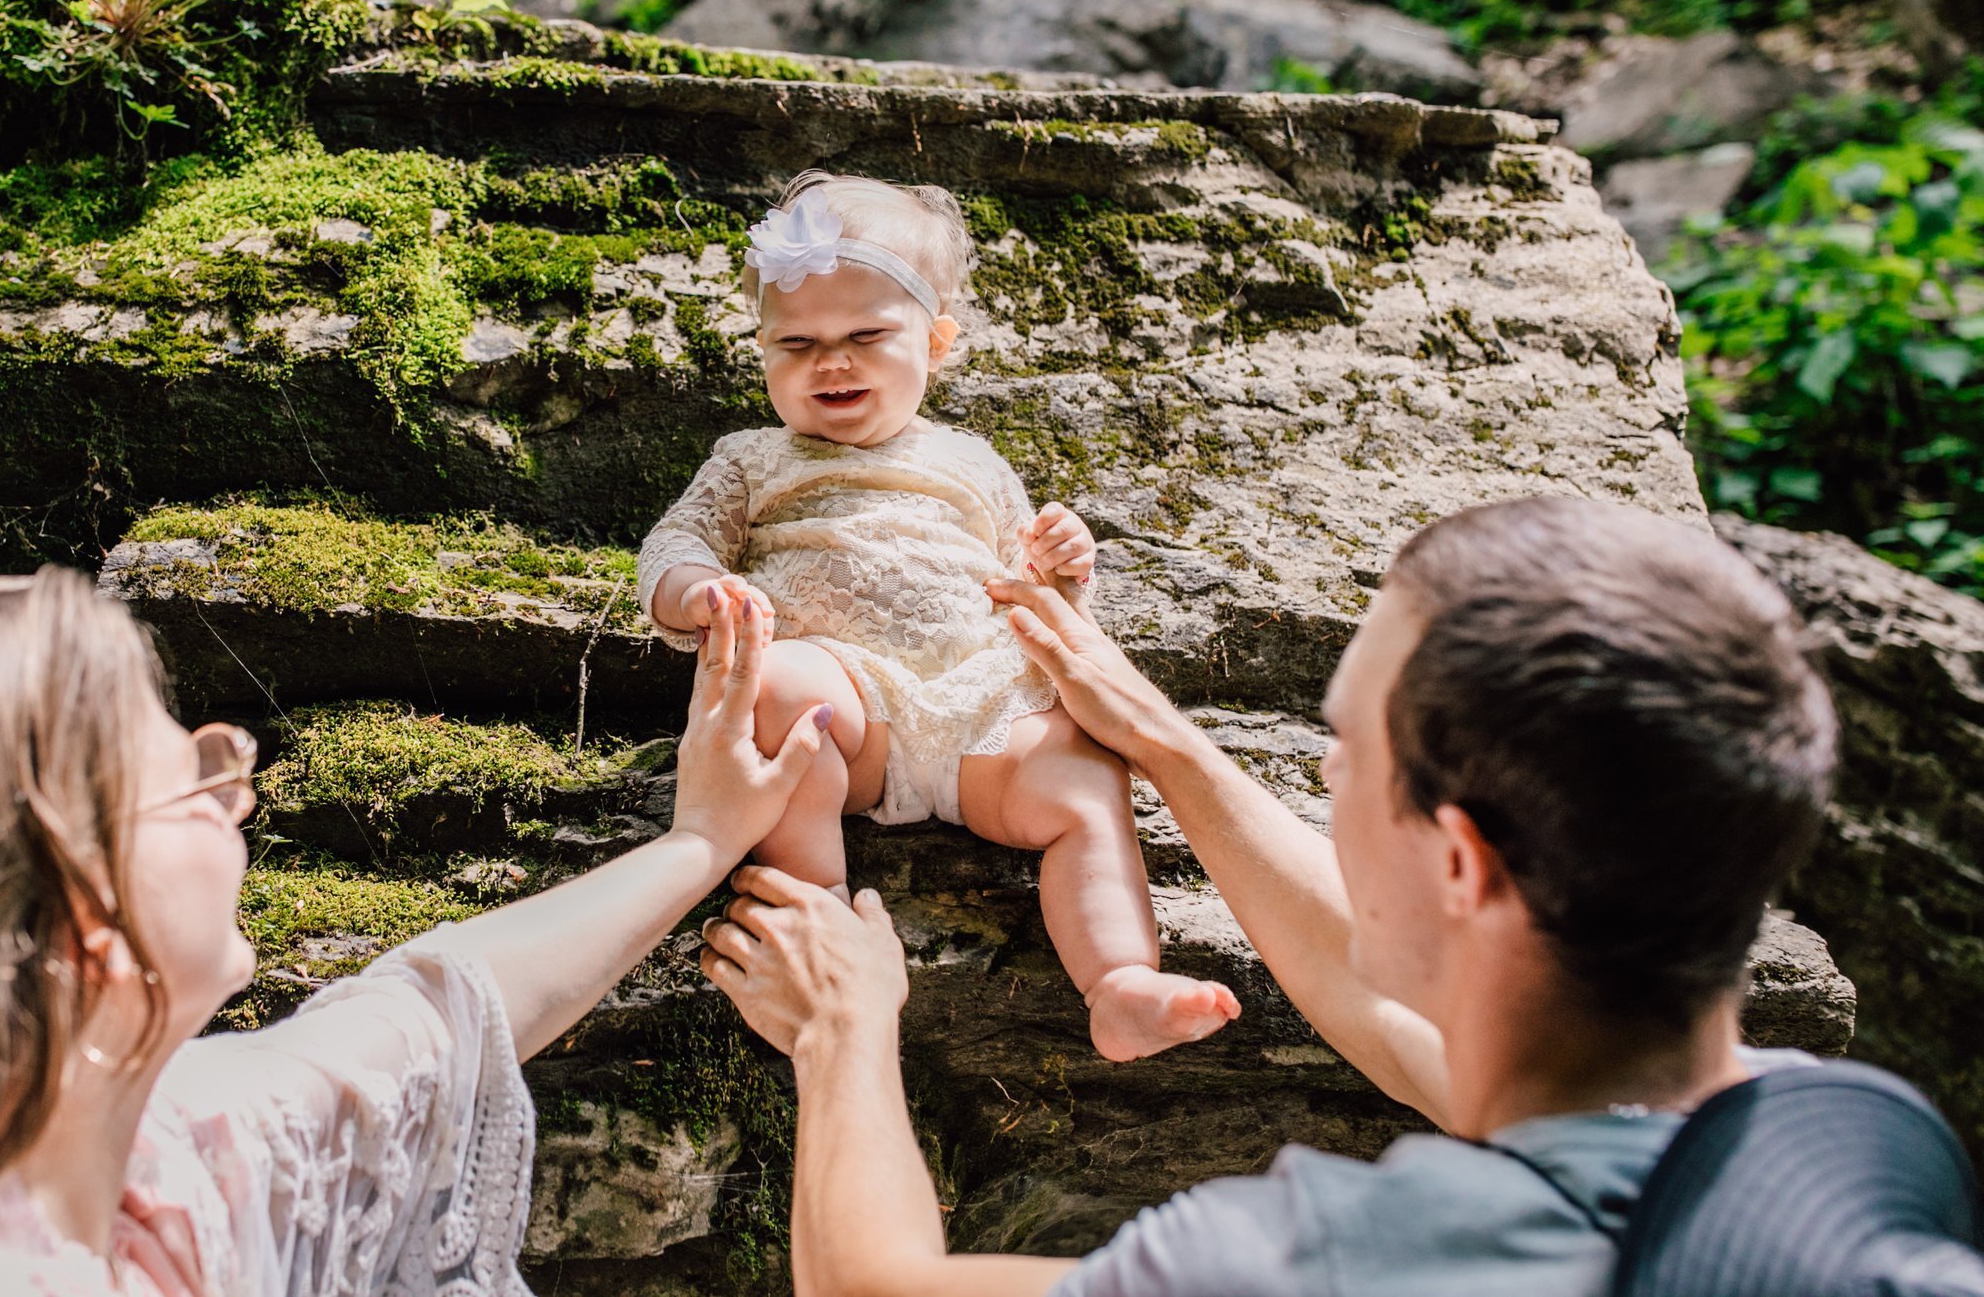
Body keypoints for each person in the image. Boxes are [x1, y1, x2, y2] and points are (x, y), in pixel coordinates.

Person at [0, 565, 825, 1297]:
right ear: (78, 920)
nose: (243, 789)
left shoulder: (146, 1151)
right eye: (196, 774)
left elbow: (425, 1014)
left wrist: (695, 843)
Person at [696, 496, 1842, 1297]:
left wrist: (843, 1029)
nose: (1324, 772)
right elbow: (1383, 999)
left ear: (1458, 867)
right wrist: (1161, 740)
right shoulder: (1849, 1143)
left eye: (1342, 745)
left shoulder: (1320, 1259)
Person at [638, 170, 1237, 1063]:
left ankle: (1119, 979)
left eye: (865, 336)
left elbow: (1028, 587)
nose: (829, 362)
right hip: (846, 698)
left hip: (980, 707)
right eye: (794, 342)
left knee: (1084, 780)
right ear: (761, 347)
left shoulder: (975, 460)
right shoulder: (752, 459)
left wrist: (1065, 563)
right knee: (773, 693)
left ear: (937, 340)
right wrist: (696, 591)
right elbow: (673, 541)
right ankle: (824, 926)